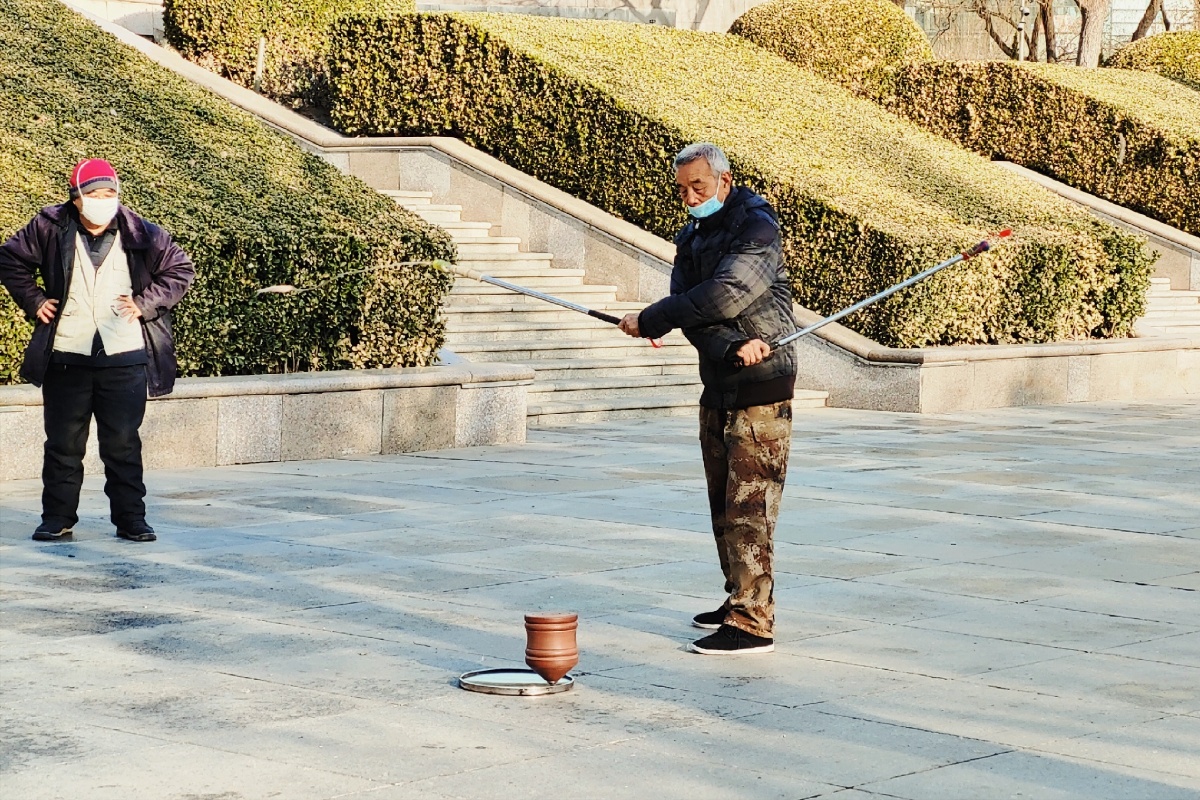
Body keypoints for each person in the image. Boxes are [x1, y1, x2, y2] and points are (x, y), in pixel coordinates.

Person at [619, 143, 796, 655]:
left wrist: (652, 318)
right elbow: (696, 320)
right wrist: (730, 345)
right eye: (681, 188)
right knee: (723, 503)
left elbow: (725, 295)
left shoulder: (757, 229)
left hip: (763, 386)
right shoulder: (691, 236)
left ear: (724, 179)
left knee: (750, 506)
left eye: (698, 185)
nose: (689, 197)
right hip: (718, 381)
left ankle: (752, 621)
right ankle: (737, 597)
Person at [0, 159, 195, 543]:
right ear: (76, 198)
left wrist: (145, 303)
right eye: (93, 194)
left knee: (122, 443)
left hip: (125, 355)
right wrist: (34, 299)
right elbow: (9, 258)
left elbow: (180, 270)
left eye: (109, 194)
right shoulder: (49, 227)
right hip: (66, 354)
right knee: (63, 444)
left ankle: (131, 520)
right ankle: (57, 518)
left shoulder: (143, 233)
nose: (102, 201)